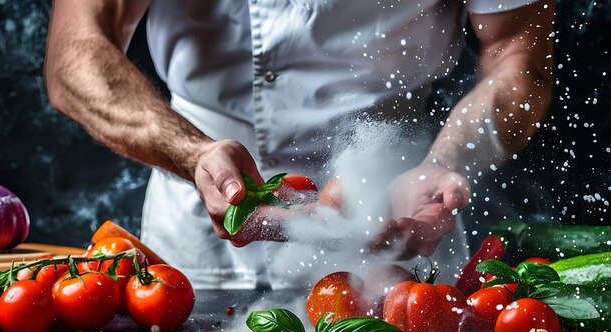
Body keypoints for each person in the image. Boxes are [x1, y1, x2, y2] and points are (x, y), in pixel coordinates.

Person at [44, 0, 555, 289]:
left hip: (400, 214)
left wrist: (442, 163)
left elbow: (519, 56)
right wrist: (193, 154)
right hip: (197, 237)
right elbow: (75, 54)